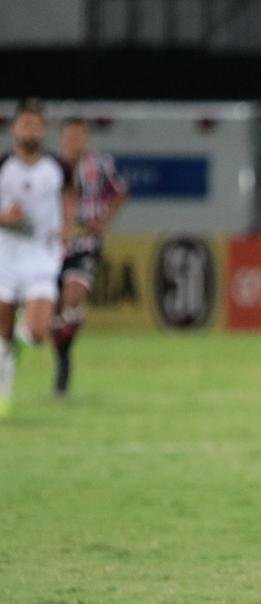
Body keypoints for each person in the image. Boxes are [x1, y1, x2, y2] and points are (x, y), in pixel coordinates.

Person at [0, 99, 75, 417]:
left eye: (36, 124)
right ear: (14, 128)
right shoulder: (3, 166)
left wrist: (67, 228)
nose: (30, 129)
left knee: (36, 332)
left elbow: (71, 198)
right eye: (25, 123)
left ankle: (12, 348)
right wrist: (4, 217)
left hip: (42, 257)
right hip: (4, 256)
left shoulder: (57, 168)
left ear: (43, 131)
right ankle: (3, 394)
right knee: (2, 335)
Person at [53, 116, 127, 395]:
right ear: (62, 138)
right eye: (69, 135)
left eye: (79, 135)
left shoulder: (99, 164)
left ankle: (62, 354)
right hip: (54, 246)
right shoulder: (51, 167)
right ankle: (62, 355)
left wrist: (104, 222)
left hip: (85, 243)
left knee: (74, 295)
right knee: (55, 311)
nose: (74, 140)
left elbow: (120, 191)